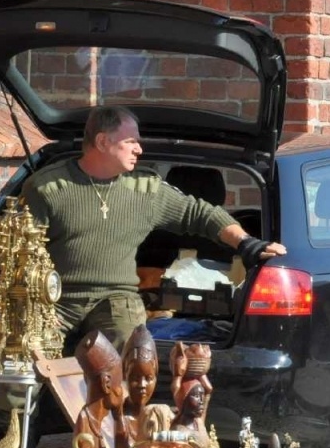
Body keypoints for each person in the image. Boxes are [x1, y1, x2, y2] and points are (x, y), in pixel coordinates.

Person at [23, 106, 285, 354]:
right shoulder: (48, 187)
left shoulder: (145, 190)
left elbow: (202, 214)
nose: (139, 149)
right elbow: (21, 254)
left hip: (115, 298)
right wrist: (32, 304)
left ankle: (121, 402)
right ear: (102, 142)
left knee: (130, 354)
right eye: (130, 141)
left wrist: (246, 243)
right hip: (56, 297)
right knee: (24, 351)